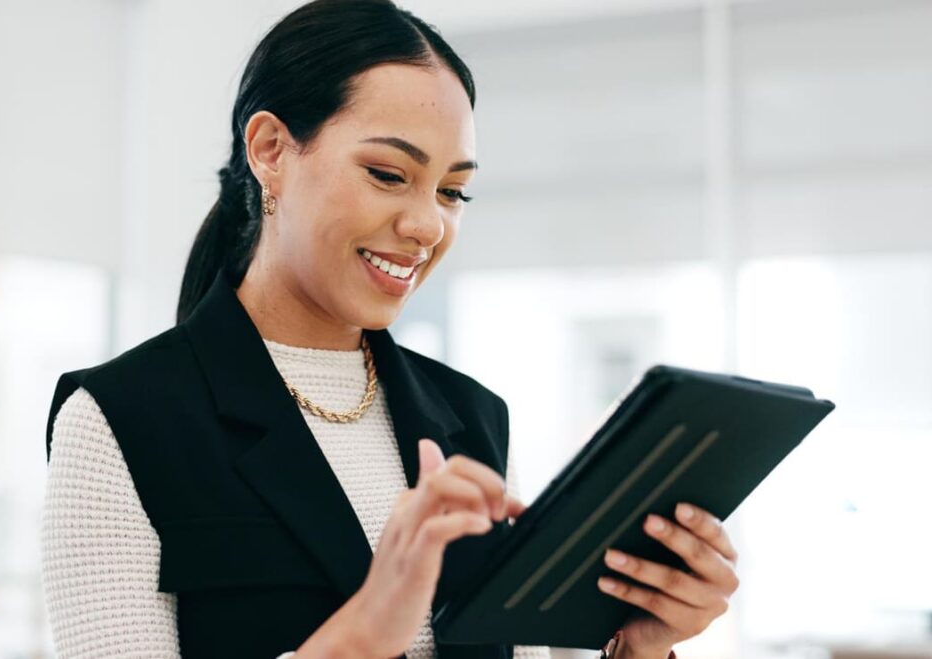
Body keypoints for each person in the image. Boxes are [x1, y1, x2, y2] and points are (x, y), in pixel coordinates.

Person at [39, 1, 740, 657]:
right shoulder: (122, 420)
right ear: (271, 150)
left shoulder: (473, 419)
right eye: (387, 173)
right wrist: (368, 628)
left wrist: (640, 646)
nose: (428, 224)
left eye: (452, 190)